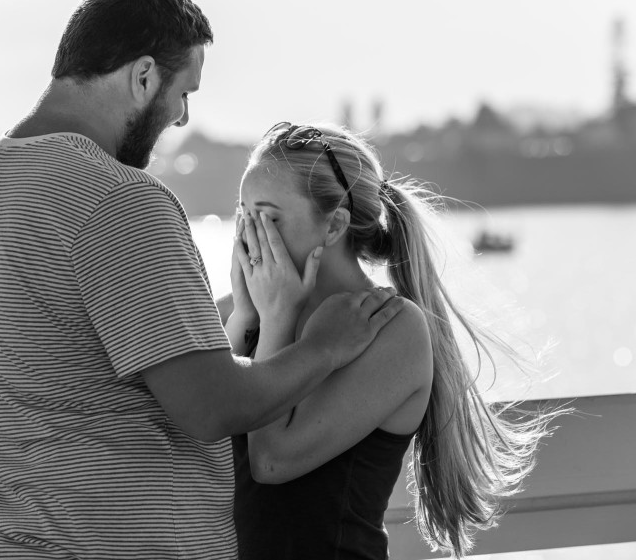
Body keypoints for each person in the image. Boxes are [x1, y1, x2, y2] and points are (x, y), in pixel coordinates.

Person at [0, 0, 404, 560]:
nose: (181, 118)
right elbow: (213, 406)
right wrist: (326, 347)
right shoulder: (119, 198)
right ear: (142, 76)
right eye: (185, 93)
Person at [223, 122, 562, 559]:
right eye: (242, 214)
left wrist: (276, 319)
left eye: (267, 217)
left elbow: (270, 461)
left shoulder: (393, 328)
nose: (249, 235)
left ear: (334, 226)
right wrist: (247, 318)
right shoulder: (241, 312)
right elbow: (199, 431)